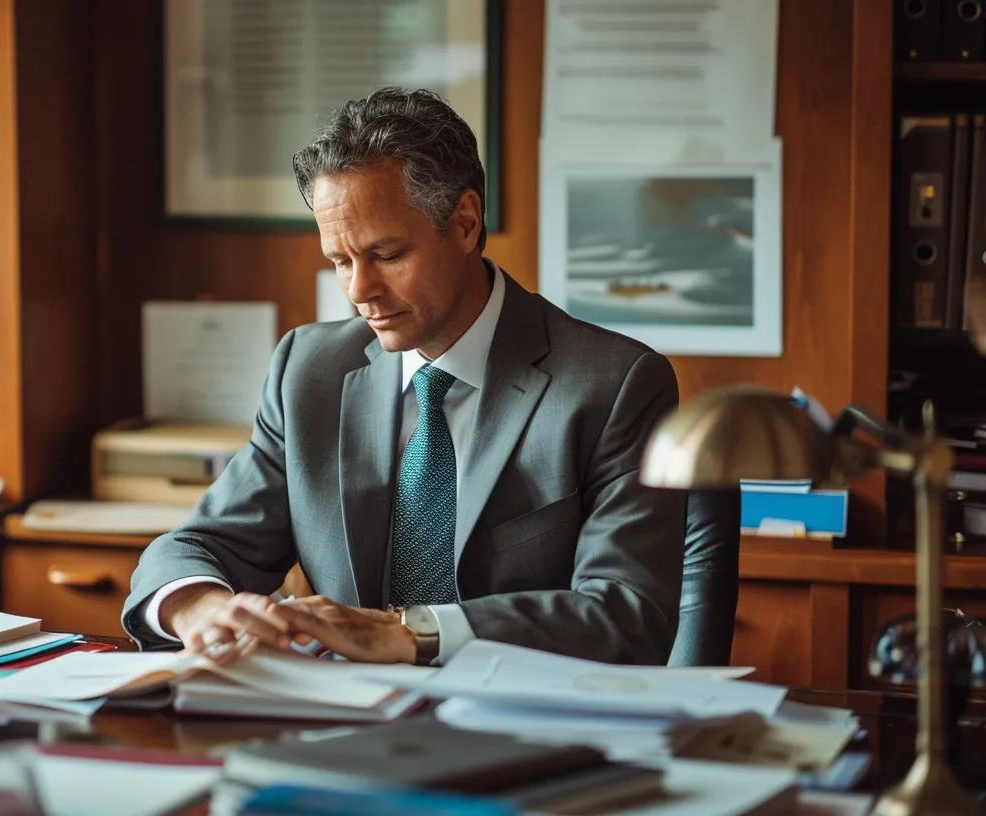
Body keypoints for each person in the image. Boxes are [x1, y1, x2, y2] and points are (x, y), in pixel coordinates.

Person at [121, 87, 685, 666]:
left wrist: (413, 633)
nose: (359, 291)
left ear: (465, 223)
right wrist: (198, 607)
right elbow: (199, 544)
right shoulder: (309, 371)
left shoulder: (614, 384)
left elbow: (627, 614)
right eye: (340, 261)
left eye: (386, 255)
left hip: (524, 726)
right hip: (343, 723)